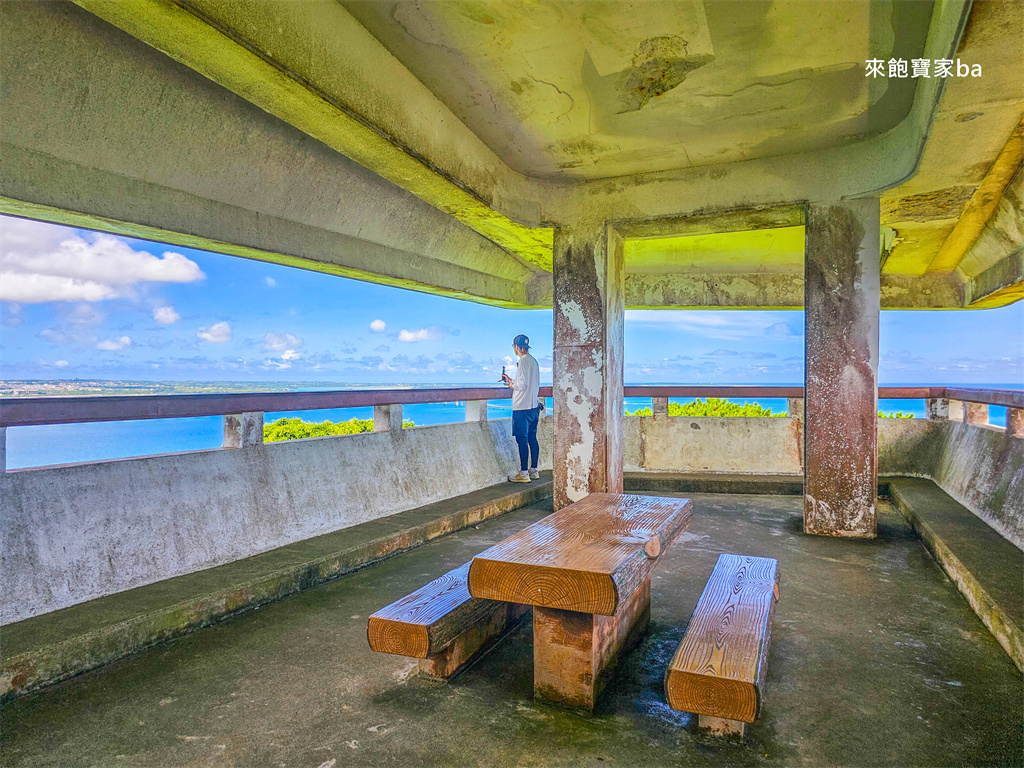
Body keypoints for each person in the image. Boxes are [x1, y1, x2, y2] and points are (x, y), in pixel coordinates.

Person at [502, 334, 541, 482]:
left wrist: (511, 384)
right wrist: (512, 380)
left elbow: (521, 385)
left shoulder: (523, 362)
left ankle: (523, 474)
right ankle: (534, 470)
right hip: (533, 407)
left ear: (516, 347)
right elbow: (529, 382)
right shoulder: (534, 361)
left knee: (522, 440)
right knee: (532, 438)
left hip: (522, 408)